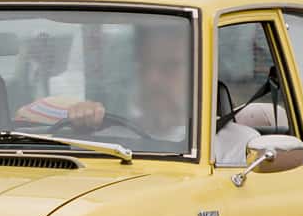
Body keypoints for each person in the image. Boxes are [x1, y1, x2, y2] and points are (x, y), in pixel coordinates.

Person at [12, 20, 193, 143]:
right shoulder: (105, 132)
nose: (152, 78)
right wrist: (80, 116)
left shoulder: (217, 144)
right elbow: (24, 119)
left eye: (170, 67)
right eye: (144, 66)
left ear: (197, 68)